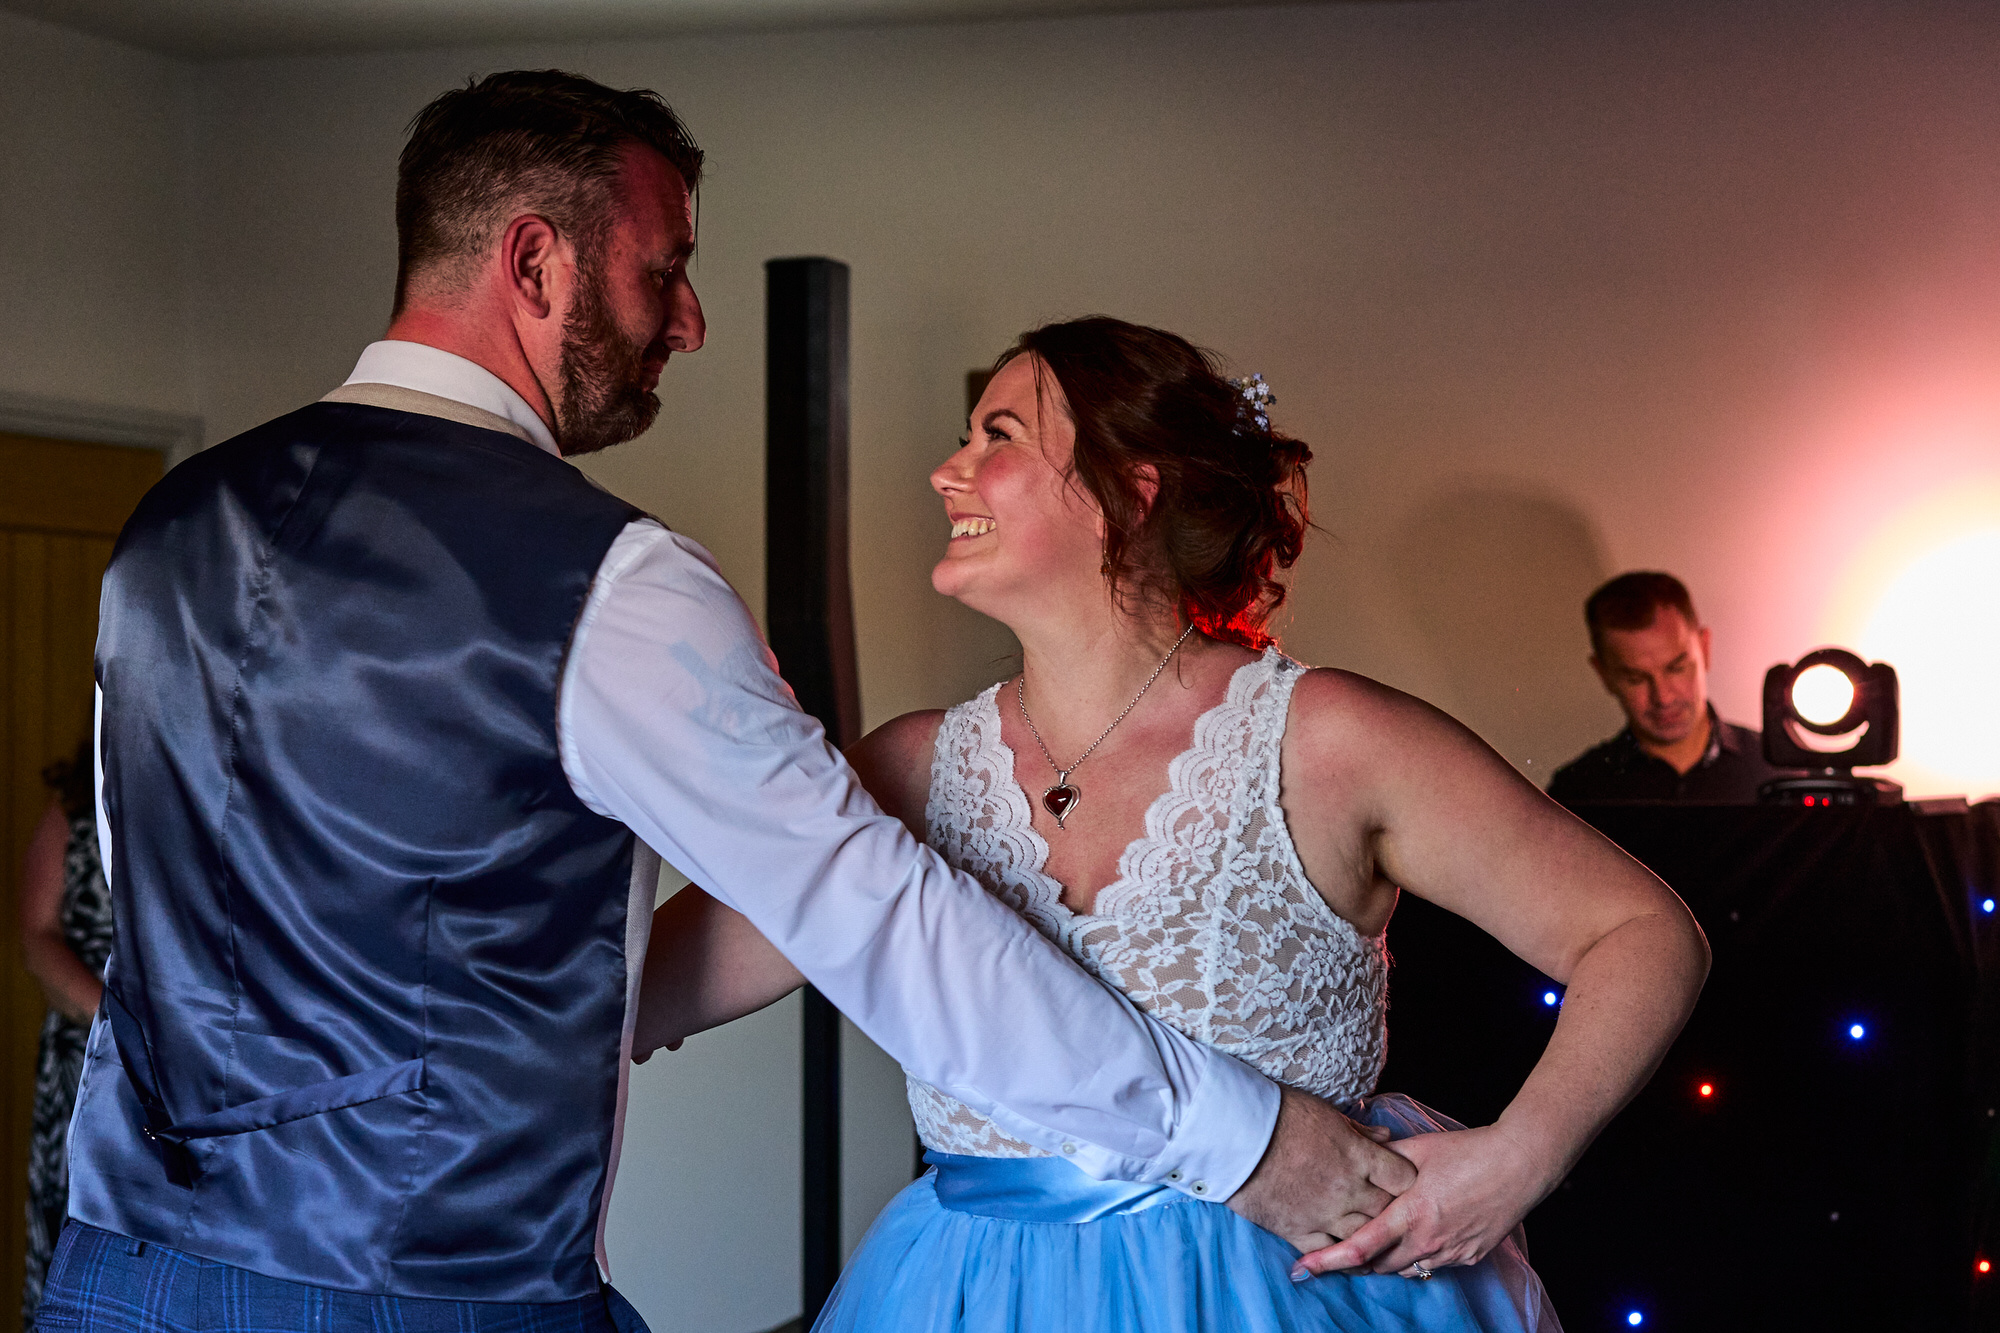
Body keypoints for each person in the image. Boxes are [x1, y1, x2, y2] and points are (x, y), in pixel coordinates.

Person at [39, 72, 1407, 1333]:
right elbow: (879, 916)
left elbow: (173, 913)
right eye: (665, 268)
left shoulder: (168, 528)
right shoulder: (604, 579)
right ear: (534, 261)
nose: (687, 320)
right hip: (425, 1291)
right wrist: (1249, 1142)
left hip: (113, 1275)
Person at [639, 318, 1711, 1331]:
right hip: (974, 1289)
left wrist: (1518, 1158)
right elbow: (647, 983)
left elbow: (1640, 931)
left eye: (996, 436)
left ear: (1128, 491)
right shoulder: (908, 770)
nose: (945, 470)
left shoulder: (1325, 740)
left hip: (1288, 1288)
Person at [19, 740, 114, 1331]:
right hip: (87, 1057)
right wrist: (117, 1022)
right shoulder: (75, 805)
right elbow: (36, 936)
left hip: (188, 1055)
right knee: (74, 1223)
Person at [1547, 571, 1785, 803]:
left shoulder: (1779, 772)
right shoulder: (1575, 793)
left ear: (1704, 648)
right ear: (1603, 674)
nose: (1663, 697)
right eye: (1636, 678)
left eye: (1676, 668)